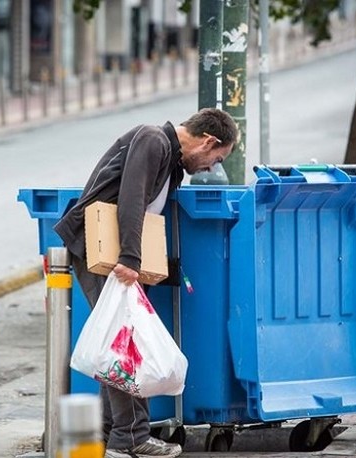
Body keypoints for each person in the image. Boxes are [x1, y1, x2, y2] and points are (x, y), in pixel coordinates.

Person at [54, 108, 237, 458]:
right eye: (217, 157)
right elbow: (132, 197)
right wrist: (130, 259)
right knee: (124, 344)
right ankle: (131, 436)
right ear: (208, 140)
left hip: (113, 252)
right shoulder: (154, 140)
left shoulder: (171, 160)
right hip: (101, 249)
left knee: (117, 341)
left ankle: (110, 434)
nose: (213, 166)